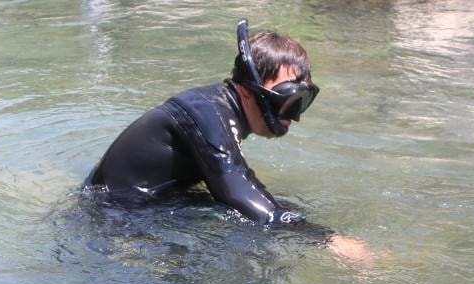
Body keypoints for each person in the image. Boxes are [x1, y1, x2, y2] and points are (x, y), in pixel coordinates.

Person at [86, 19, 373, 263]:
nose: (293, 116)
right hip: (115, 219)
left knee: (284, 210)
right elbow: (240, 194)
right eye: (287, 99)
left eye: (302, 101)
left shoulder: (220, 111)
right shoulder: (206, 113)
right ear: (249, 91)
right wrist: (326, 240)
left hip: (153, 202)